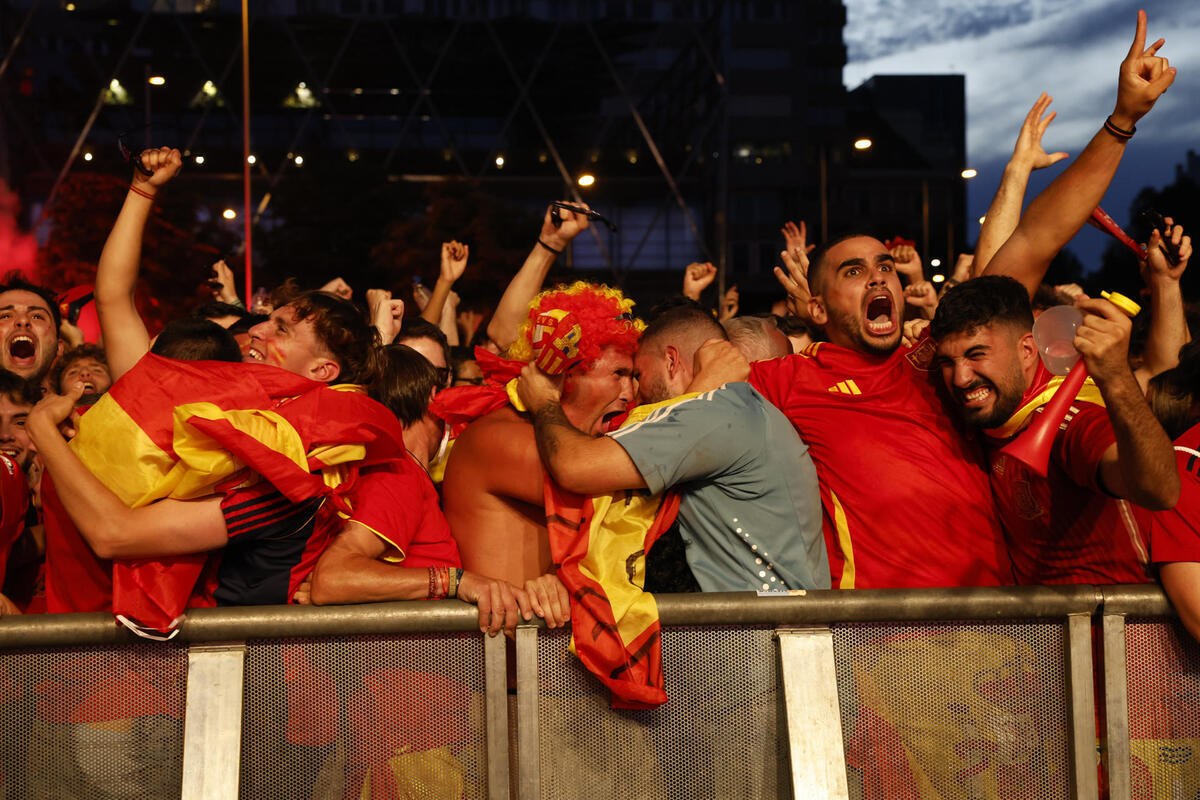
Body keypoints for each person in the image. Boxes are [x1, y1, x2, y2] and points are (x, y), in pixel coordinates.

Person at [754, 10, 1174, 589]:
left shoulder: (933, 362)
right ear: (820, 307)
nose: (879, 279)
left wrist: (1123, 120)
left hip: (1017, 649)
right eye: (854, 271)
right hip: (887, 649)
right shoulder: (790, 379)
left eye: (885, 267)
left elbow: (1033, 241)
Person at [516, 303, 828, 593]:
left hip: (766, 638)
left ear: (671, 360)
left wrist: (544, 400)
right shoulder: (732, 407)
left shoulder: (714, 413)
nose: (634, 391)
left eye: (637, 374)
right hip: (771, 633)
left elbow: (574, 466)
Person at [931, 275, 1179, 584]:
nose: (960, 378)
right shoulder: (991, 410)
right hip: (1044, 628)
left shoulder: (1071, 422)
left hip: (1116, 628)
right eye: (946, 361)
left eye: (976, 354)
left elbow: (1161, 491)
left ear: (1027, 350)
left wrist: (1116, 376)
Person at [441, 282, 641, 619]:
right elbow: (616, 491)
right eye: (619, 374)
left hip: (539, 656)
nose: (630, 392)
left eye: (634, 376)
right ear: (564, 373)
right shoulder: (499, 437)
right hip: (499, 659)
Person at [304, 344, 530, 636]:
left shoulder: (407, 474)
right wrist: (456, 582)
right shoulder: (398, 474)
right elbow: (332, 579)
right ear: (434, 398)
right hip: (398, 676)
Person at [0, 273, 63, 387]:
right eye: (6, 316)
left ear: (58, 348)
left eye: (37, 317)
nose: (23, 320)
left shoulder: (93, 404)